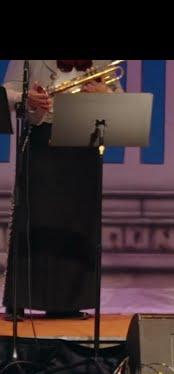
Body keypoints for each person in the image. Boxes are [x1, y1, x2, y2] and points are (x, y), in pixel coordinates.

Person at [2, 60, 123, 319]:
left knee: (76, 221)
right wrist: (27, 98)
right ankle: (19, 299)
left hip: (84, 141)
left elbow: (120, 100)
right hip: (43, 138)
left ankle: (66, 302)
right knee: (33, 217)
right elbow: (7, 91)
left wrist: (105, 95)